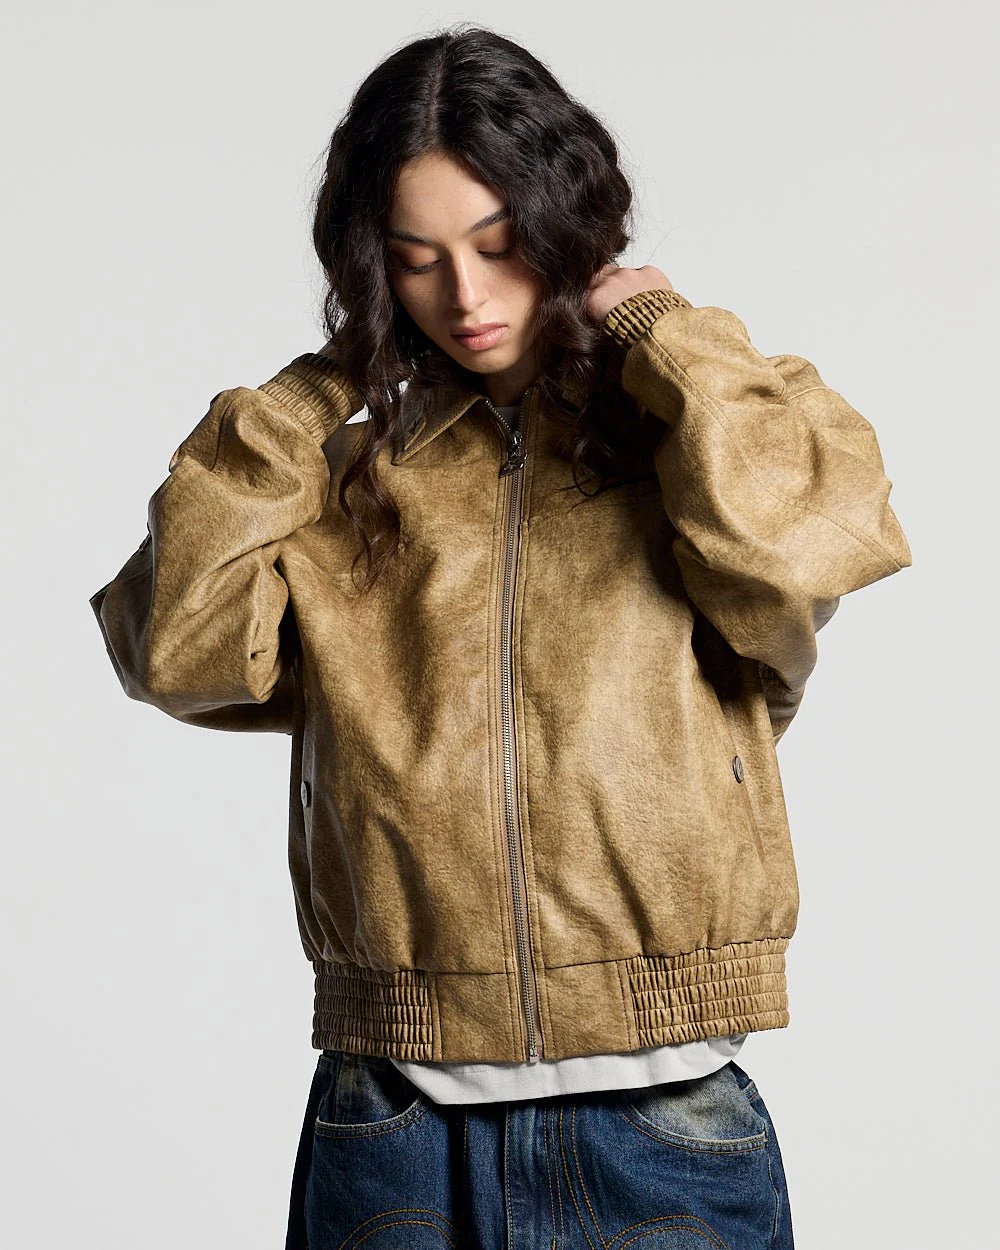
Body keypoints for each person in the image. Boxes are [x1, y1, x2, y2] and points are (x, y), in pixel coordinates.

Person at [88, 24, 912, 1250]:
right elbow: (173, 649)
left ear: (566, 224)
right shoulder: (351, 479)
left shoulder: (699, 428)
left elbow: (804, 544)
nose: (464, 298)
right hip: (393, 1113)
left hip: (665, 1106)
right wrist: (311, 396)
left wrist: (664, 335)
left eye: (499, 242)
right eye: (415, 260)